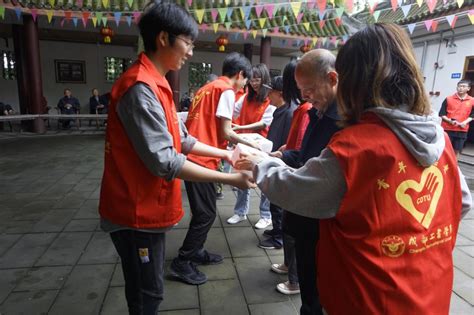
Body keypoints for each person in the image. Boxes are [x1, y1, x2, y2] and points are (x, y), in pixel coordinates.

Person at [238, 23, 472, 314]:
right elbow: (461, 203)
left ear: (353, 81)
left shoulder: (355, 147)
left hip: (368, 296)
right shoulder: (440, 139)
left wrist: (261, 164)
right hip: (430, 291)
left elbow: (297, 191)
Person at [98, 3, 254, 314]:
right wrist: (231, 179)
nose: (191, 52)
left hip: (147, 205)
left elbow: (182, 139)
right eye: (189, 42)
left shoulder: (158, 84)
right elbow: (166, 161)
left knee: (150, 290)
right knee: (147, 294)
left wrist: (225, 152)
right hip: (134, 211)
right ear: (164, 38)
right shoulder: (140, 88)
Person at [170, 52, 258, 286]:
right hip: (202, 159)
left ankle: (195, 251)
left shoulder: (206, 88)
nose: (244, 87)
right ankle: (183, 260)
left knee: (204, 211)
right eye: (245, 81)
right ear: (240, 75)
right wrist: (254, 143)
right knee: (206, 213)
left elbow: (212, 123)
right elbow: (225, 133)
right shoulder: (227, 90)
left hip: (195, 152)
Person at [227, 63, 276, 229]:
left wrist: (239, 128)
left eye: (258, 79)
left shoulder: (270, 98)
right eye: (252, 80)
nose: (254, 83)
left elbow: (264, 123)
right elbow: (233, 111)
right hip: (244, 143)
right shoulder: (246, 97)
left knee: (264, 180)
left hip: (261, 144)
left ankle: (265, 215)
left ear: (264, 80)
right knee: (243, 175)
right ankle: (240, 212)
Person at [257, 74, 296, 250]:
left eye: (270, 92)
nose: (267, 96)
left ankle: (279, 237)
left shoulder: (289, 113)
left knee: (278, 203)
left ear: (280, 93)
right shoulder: (280, 111)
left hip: (281, 162)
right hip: (272, 157)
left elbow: (289, 143)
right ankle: (275, 230)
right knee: (273, 201)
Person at [439, 79, 473, 157]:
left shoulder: (472, 100)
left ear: (468, 88)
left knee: (456, 151)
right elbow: (442, 114)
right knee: (444, 150)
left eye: (463, 86)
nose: (460, 88)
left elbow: (472, 115)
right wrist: (449, 121)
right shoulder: (448, 99)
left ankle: (454, 167)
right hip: (447, 129)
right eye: (459, 86)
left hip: (462, 130)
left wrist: (465, 122)